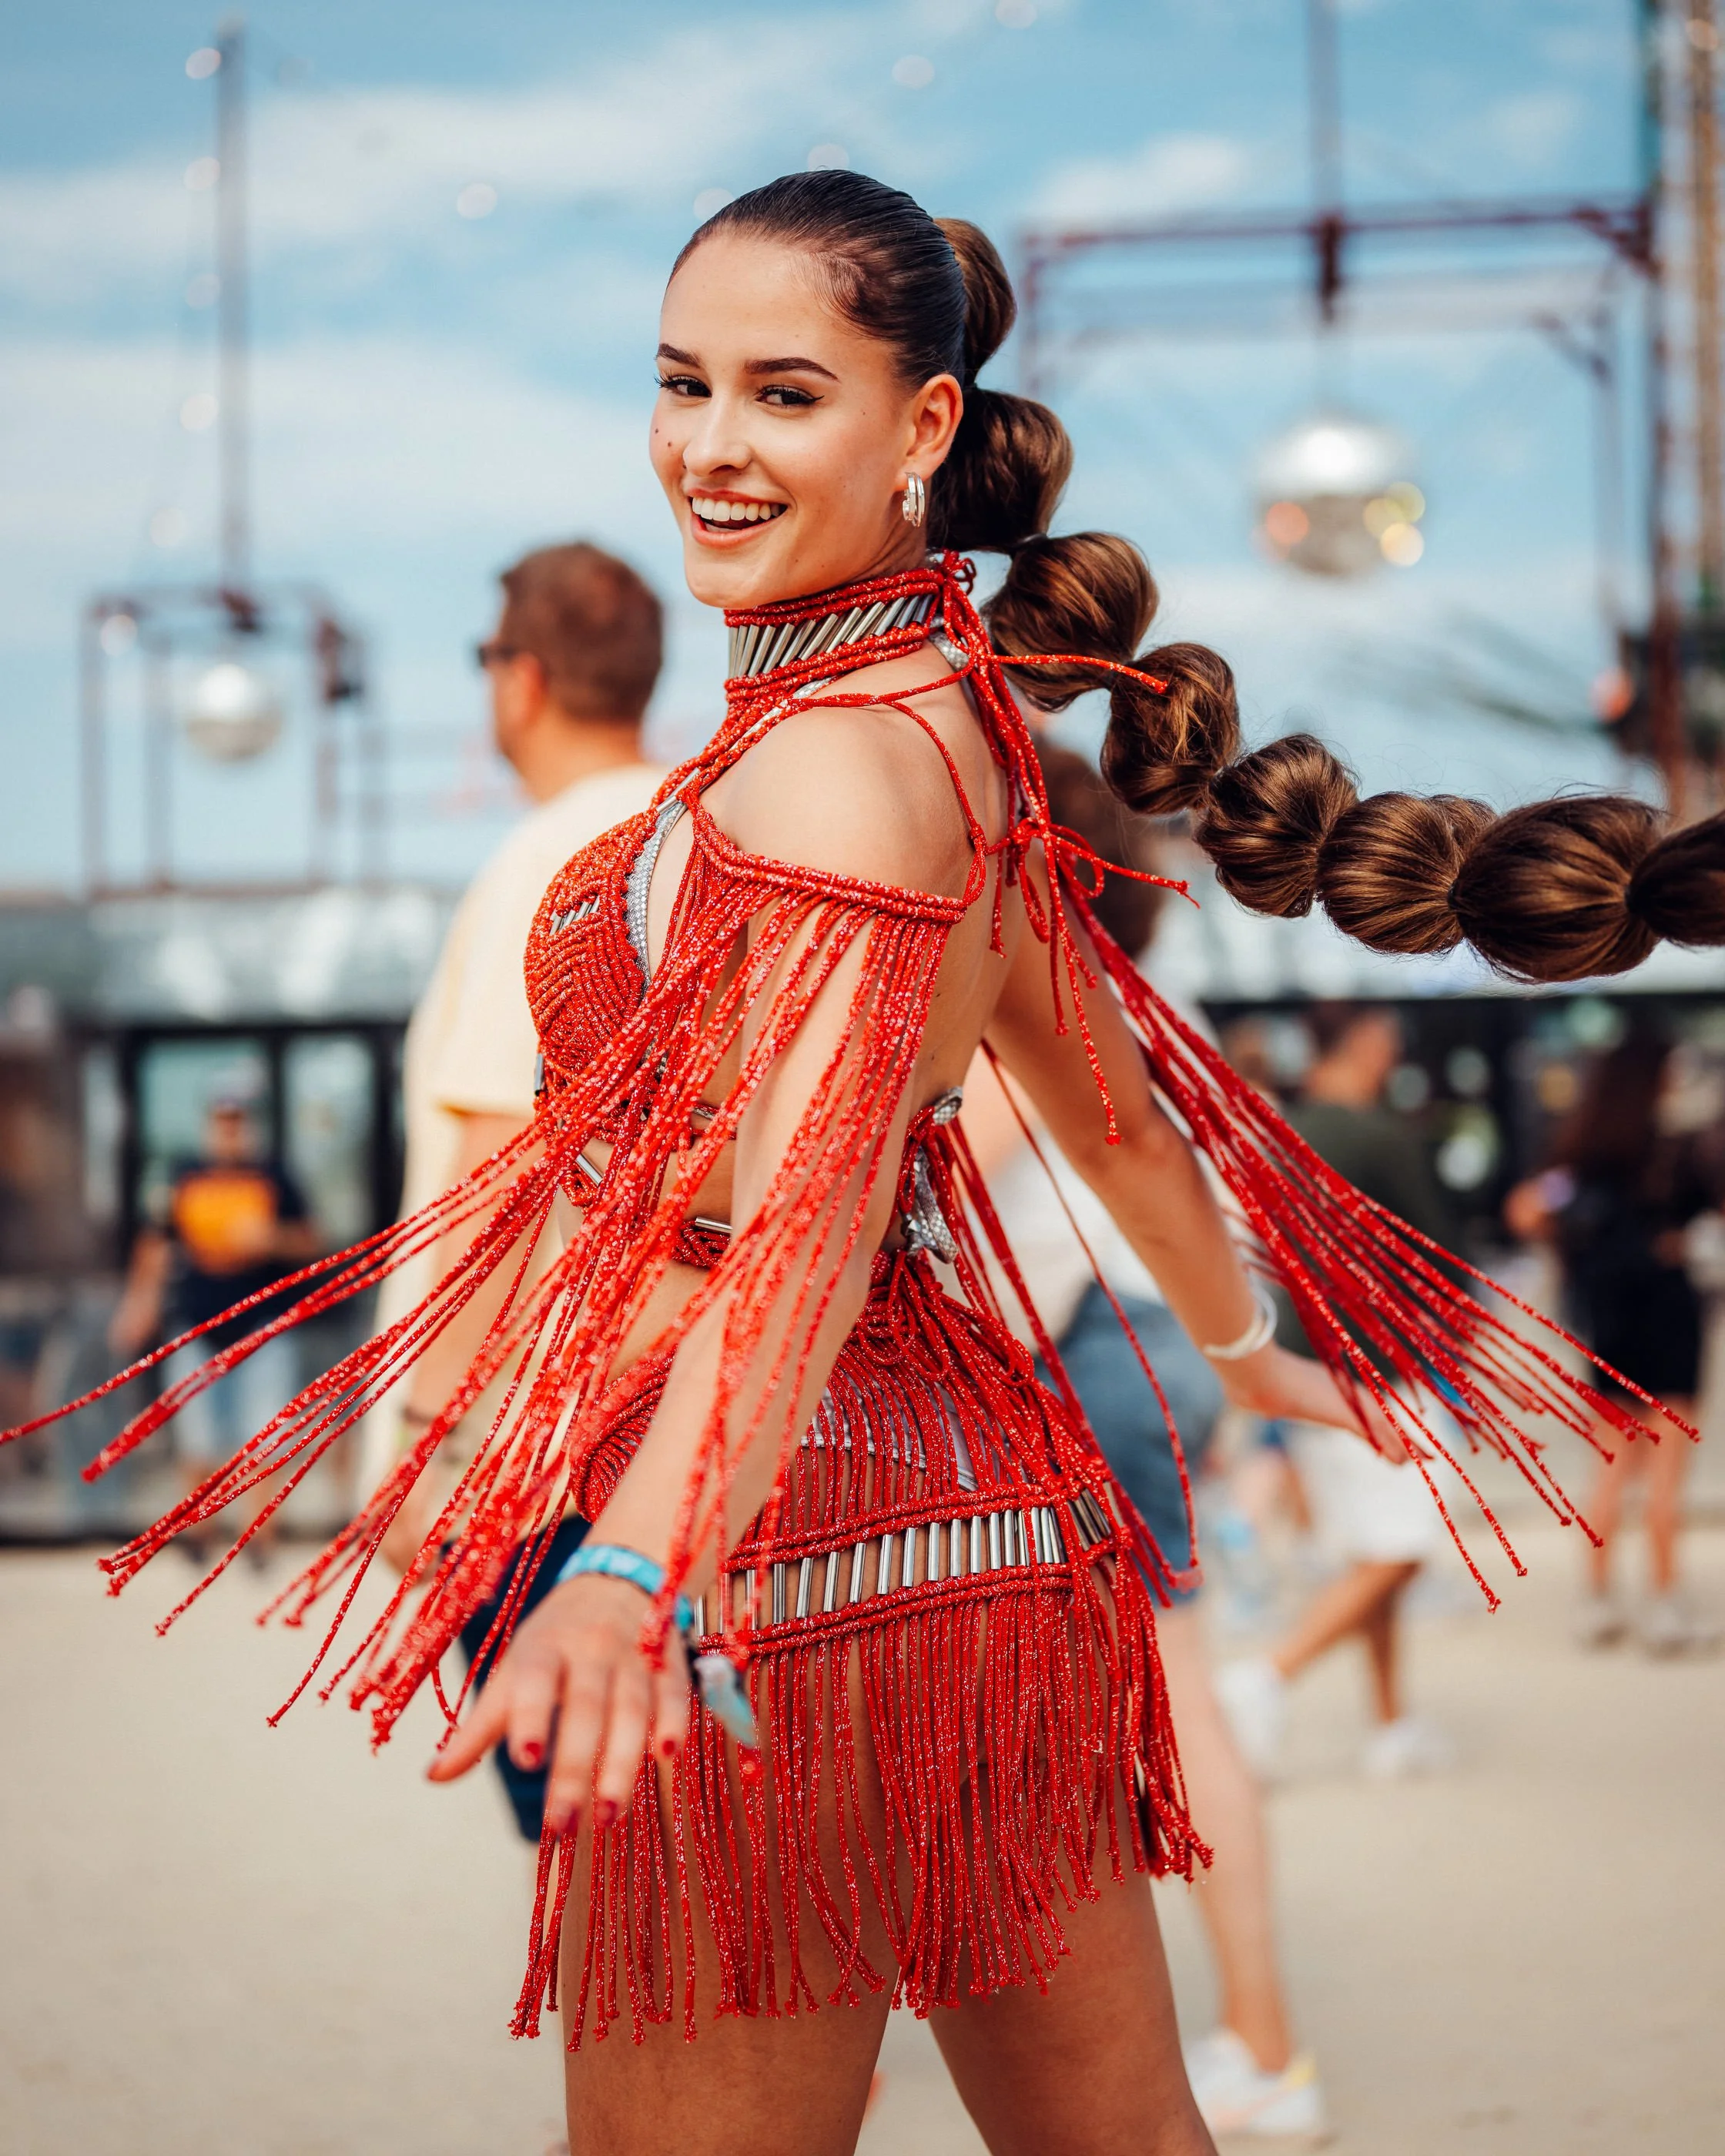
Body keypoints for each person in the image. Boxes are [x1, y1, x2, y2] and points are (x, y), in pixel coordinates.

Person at [27, 172, 1719, 2156]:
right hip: (986, 1549)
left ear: (924, 428)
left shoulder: (833, 769)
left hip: (771, 1575)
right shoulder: (963, 737)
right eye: (682, 384)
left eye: (784, 394)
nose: (711, 448)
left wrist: (636, 1567)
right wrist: (1248, 1347)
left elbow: (812, 1221)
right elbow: (1126, 1126)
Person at [969, 745, 1328, 2143]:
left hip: (1082, 1340)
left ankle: (1260, 2043)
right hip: (1156, 1336)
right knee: (1165, 1697)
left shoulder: (1037, 978)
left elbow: (972, 1163)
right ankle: (1257, 2040)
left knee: (1146, 1708)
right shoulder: (1145, 975)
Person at [362, 539, 666, 1834]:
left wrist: (434, 1452)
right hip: (665, 1433)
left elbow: (505, 1173)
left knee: (619, 1899)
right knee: (706, 1888)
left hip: (537, 1462)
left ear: (520, 681)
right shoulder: (692, 829)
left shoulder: (544, 862)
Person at [1217, 1006, 1463, 1782]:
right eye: (1387, 1033)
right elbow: (1441, 1260)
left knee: (1372, 1549)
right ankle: (1264, 1677)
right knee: (1403, 1548)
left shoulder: (1275, 1134)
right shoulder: (1375, 1135)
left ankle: (1390, 1725)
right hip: (1377, 1371)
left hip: (1302, 1363)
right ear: (1361, 1039)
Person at [1505, 1031, 1719, 1654]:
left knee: (1612, 1466)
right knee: (1666, 1470)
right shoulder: (1674, 1151)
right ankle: (1664, 1601)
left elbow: (1525, 1212)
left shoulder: (1580, 1156)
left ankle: (1597, 1600)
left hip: (1611, 1325)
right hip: (1670, 1315)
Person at [108, 1094, 317, 1561]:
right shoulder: (183, 1175)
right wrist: (139, 1303)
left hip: (264, 1326)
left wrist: (271, 1238)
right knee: (197, 1433)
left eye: (237, 1122)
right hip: (196, 1324)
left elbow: (312, 1238)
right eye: (222, 1121)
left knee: (266, 1432)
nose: (230, 1131)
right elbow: (156, 1243)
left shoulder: (275, 1175)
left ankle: (258, 1536)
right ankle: (199, 1532)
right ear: (209, 1125)